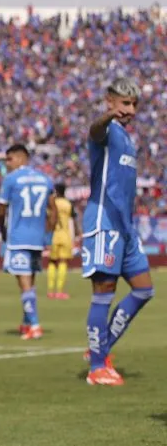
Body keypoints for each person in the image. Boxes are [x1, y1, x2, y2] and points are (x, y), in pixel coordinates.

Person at [82, 77, 155, 386]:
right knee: (104, 293)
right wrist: (107, 117)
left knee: (143, 289)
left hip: (124, 227)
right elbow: (94, 130)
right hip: (103, 223)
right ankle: (98, 368)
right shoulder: (106, 130)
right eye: (124, 103)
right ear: (109, 102)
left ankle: (100, 349)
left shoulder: (126, 137)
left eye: (134, 104)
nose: (130, 110)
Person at [0, 145, 55, 339]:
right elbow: (52, 210)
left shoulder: (11, 180)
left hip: (18, 238)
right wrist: (48, 234)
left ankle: (36, 326)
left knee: (24, 283)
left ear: (21, 158)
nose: (7, 164)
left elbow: (1, 209)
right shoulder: (45, 179)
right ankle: (26, 323)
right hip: (37, 238)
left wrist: (2, 230)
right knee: (30, 281)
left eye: (9, 159)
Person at [46, 183, 78, 300]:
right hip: (65, 235)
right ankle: (59, 292)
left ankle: (50, 291)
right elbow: (74, 219)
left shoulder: (51, 203)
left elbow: (47, 218)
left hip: (53, 235)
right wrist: (79, 233)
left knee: (52, 262)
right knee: (63, 262)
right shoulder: (68, 204)